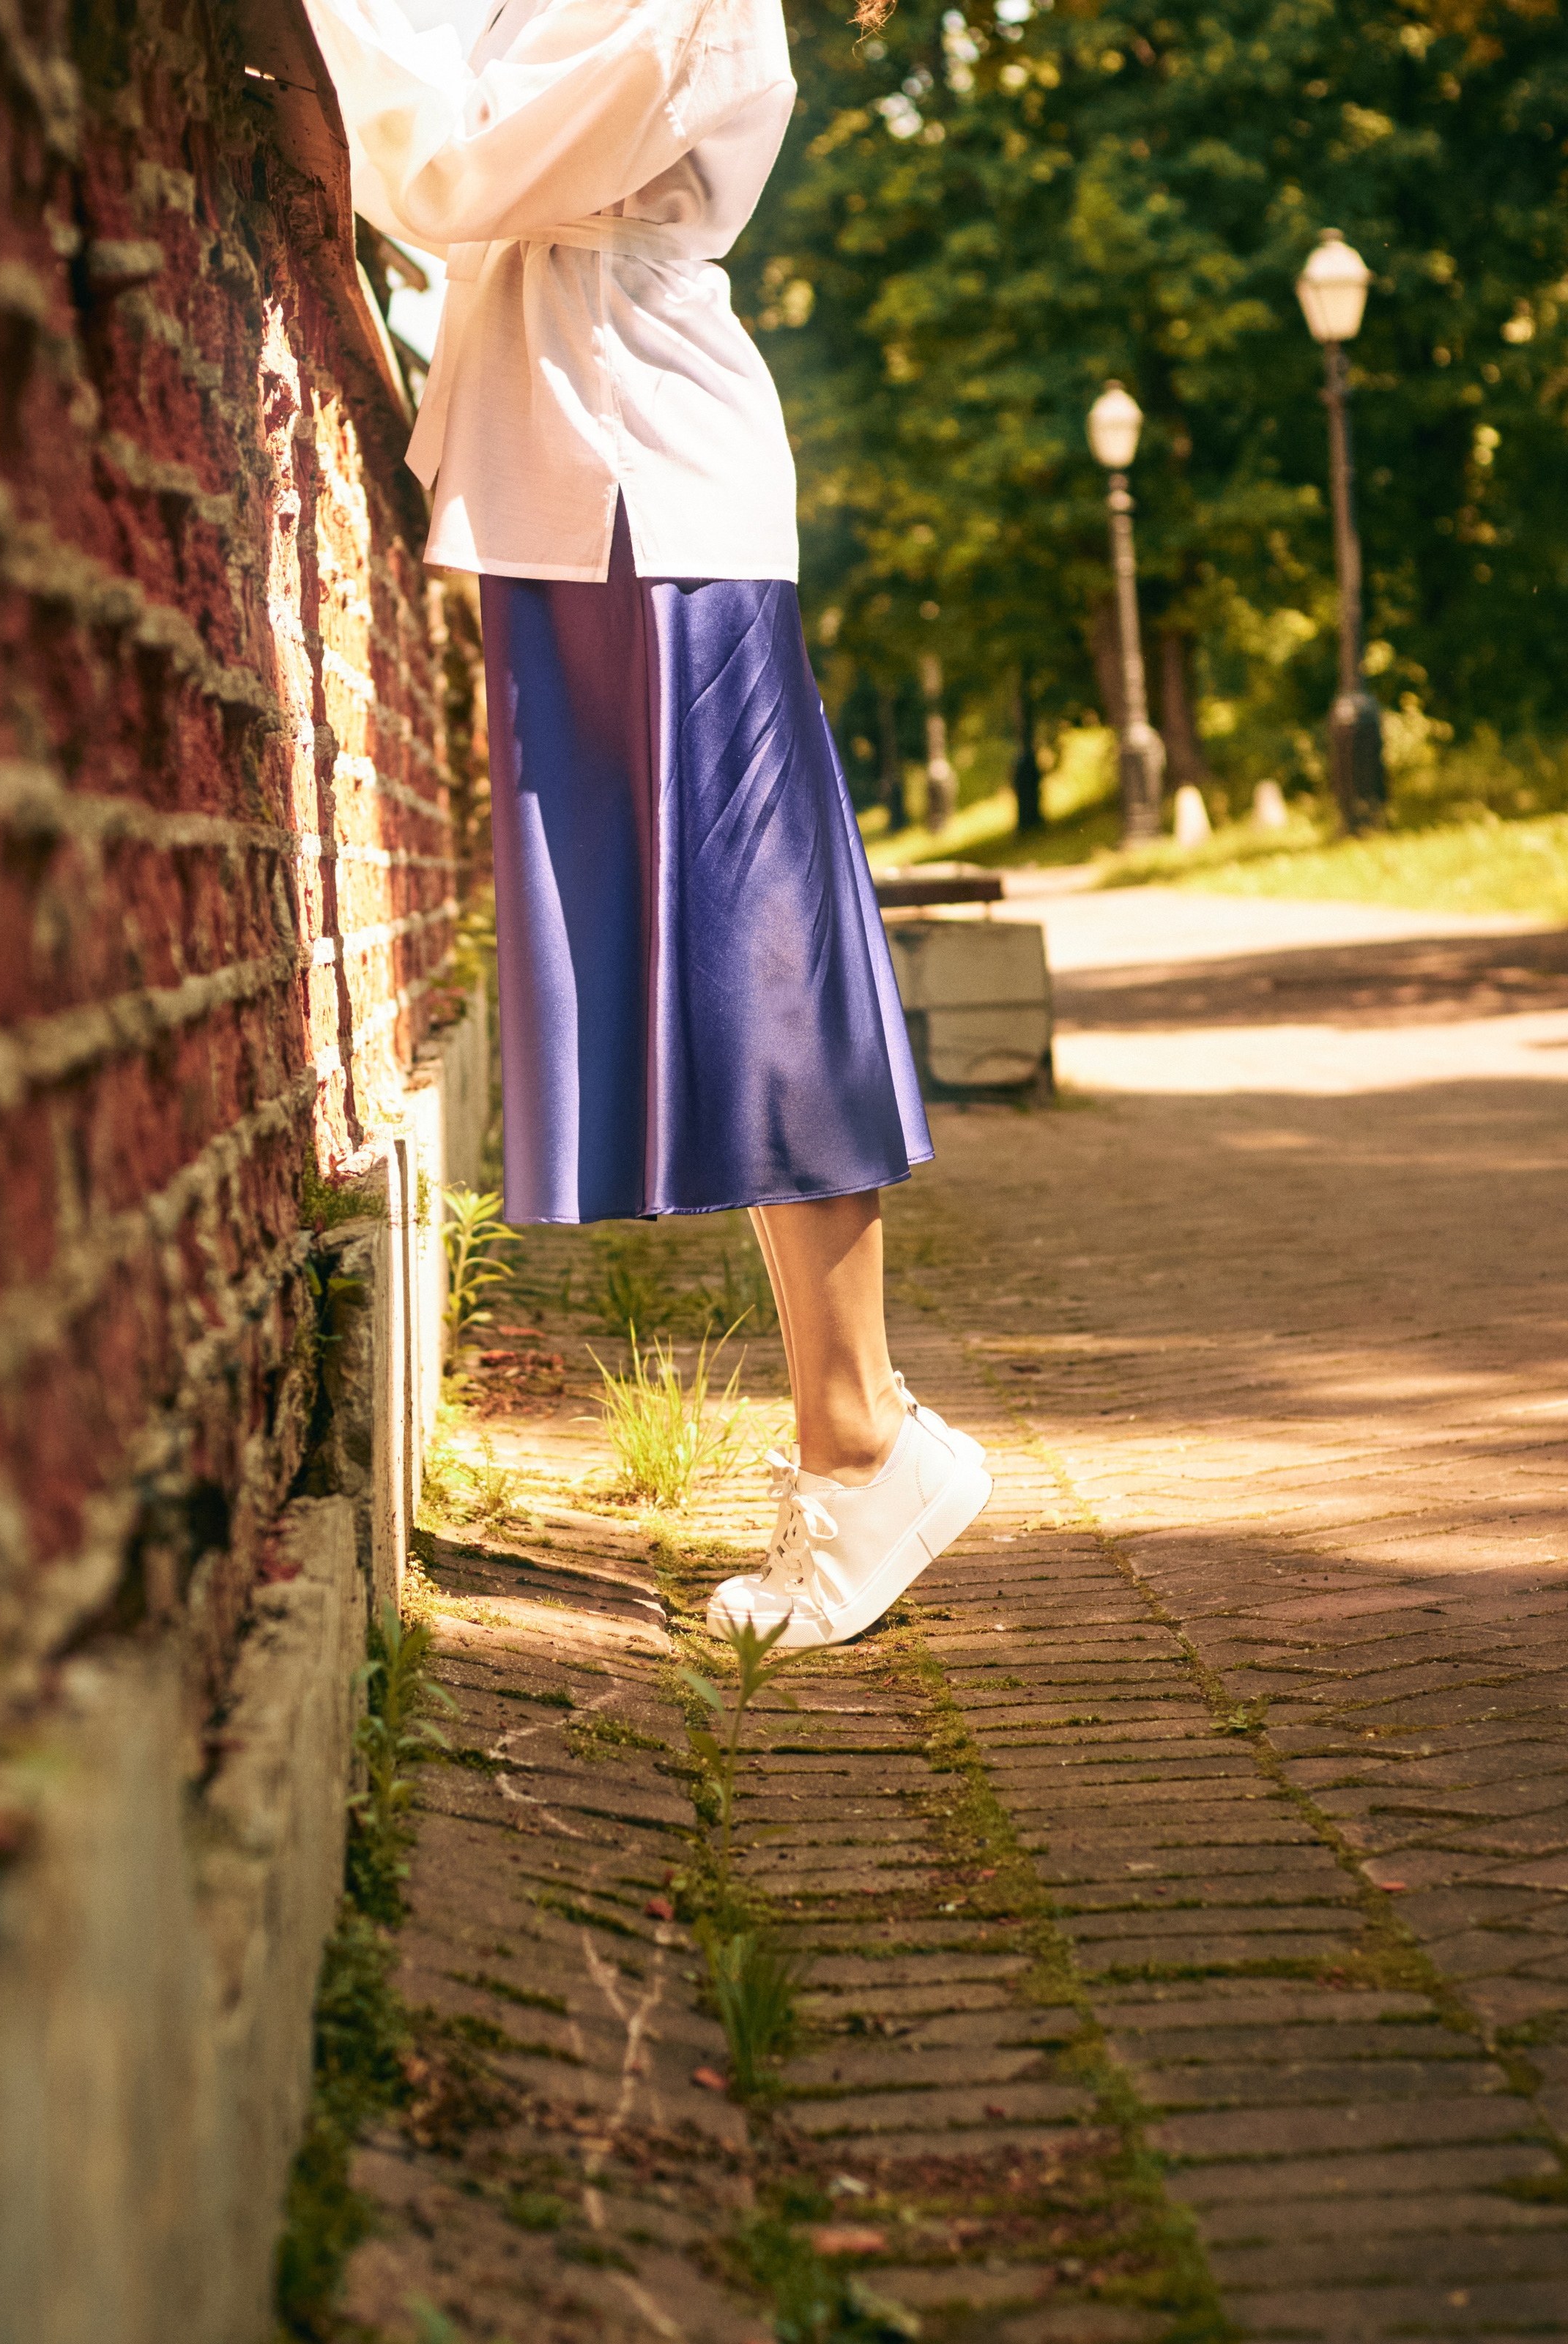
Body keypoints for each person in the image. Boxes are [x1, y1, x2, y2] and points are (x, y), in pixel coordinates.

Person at [302, 0, 991, 1647]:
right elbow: (444, 148)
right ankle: (862, 1441)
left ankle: (863, 1442)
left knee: (764, 987)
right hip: (587, 499)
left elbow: (450, 164)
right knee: (742, 984)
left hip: (649, 498)